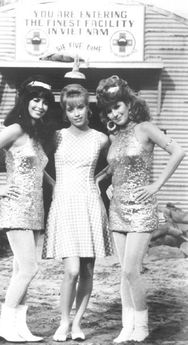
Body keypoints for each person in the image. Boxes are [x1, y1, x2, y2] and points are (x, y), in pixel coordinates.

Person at [95, 75, 185, 343]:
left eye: (118, 105)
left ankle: (142, 324)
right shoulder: (115, 134)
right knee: (123, 270)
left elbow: (178, 151)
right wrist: (107, 181)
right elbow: (118, 165)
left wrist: (157, 184)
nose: (115, 112)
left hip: (142, 208)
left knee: (131, 270)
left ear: (128, 103)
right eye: (109, 109)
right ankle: (127, 327)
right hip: (118, 208)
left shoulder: (145, 128)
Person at [0, 76, 55, 343]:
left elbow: (40, 171)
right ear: (25, 101)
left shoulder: (36, 133)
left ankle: (19, 327)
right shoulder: (17, 129)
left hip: (35, 208)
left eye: (45, 102)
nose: (40, 106)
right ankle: (4, 325)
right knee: (29, 269)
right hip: (17, 206)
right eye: (35, 100)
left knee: (20, 269)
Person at [42, 84, 113, 342]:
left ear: (88, 108)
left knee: (87, 271)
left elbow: (118, 160)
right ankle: (63, 323)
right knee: (71, 270)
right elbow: (37, 162)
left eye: (80, 107)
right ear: (65, 111)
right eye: (70, 109)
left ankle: (78, 324)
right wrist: (55, 186)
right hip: (65, 205)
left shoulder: (101, 138)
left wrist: (101, 179)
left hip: (90, 205)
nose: (76, 113)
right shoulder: (57, 136)